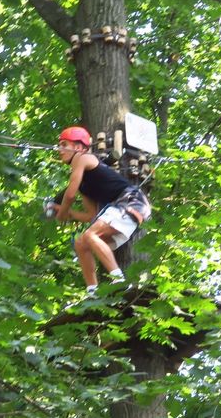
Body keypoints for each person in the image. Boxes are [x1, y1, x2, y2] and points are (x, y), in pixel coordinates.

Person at [50, 126, 152, 296]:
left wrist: (61, 213)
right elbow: (90, 216)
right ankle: (92, 291)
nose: (60, 149)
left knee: (91, 235)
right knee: (81, 243)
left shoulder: (82, 158)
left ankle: (119, 280)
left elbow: (69, 195)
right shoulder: (85, 185)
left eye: (63, 144)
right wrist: (68, 213)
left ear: (78, 147)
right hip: (125, 205)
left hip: (131, 200)